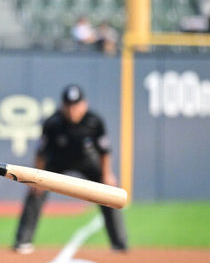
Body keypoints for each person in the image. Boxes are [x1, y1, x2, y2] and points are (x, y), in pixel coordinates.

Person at [12, 85, 128, 254]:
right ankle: (23, 241)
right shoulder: (53, 123)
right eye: (68, 106)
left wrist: (107, 174)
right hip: (57, 162)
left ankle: (119, 243)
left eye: (76, 105)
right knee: (35, 191)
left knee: (107, 192)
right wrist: (36, 178)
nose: (72, 110)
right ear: (62, 106)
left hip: (87, 161)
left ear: (84, 104)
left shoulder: (94, 122)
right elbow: (41, 153)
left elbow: (104, 152)